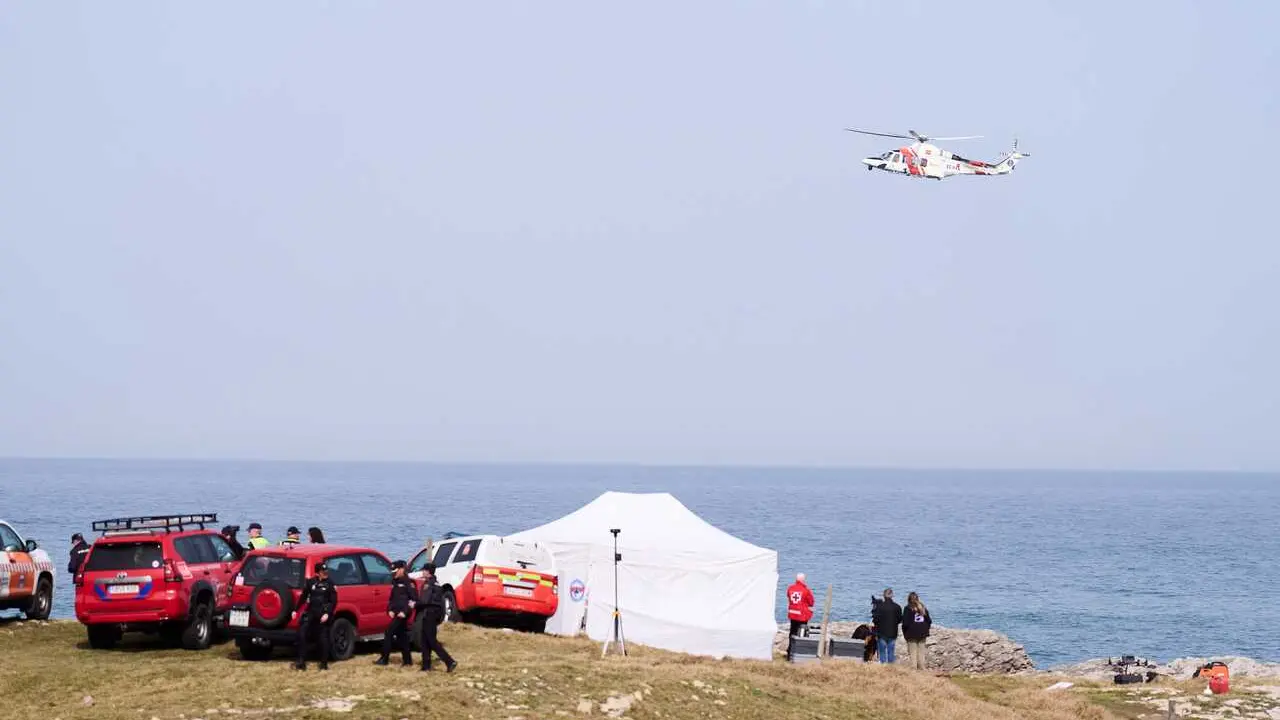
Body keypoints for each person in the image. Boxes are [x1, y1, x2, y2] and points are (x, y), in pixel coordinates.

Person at [294, 562, 337, 670]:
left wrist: (327, 614)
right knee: (302, 634)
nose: (326, 573)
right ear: (317, 573)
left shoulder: (330, 583)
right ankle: (301, 662)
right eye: (323, 572)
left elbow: (333, 601)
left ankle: (324, 663)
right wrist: (295, 610)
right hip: (311, 612)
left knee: (323, 638)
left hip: (323, 613)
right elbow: (303, 597)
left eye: (326, 571)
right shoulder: (310, 582)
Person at [416, 562, 457, 672]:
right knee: (425, 640)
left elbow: (424, 600)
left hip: (429, 614)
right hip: (433, 614)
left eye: (424, 570)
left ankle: (449, 661)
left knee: (431, 641)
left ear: (428, 572)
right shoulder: (437, 583)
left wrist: (414, 604)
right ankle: (426, 666)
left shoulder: (429, 584)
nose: (422, 572)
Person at [375, 560, 417, 667]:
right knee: (402, 636)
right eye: (392, 572)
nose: (393, 574)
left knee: (389, 632)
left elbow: (413, 600)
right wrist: (390, 609)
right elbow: (392, 599)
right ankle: (407, 661)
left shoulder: (409, 583)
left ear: (402, 570)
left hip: (403, 614)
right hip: (396, 612)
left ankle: (384, 659)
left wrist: (405, 612)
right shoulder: (395, 582)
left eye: (395, 571)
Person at [785, 572, 815, 660]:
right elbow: (811, 602)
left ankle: (789, 652)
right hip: (802, 615)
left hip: (792, 614)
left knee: (792, 632)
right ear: (803, 580)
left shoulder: (790, 588)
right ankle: (798, 653)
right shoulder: (806, 590)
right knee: (801, 634)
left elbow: (788, 596)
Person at [901, 592, 932, 670]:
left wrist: (905, 632)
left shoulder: (907, 608)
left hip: (912, 633)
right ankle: (922, 667)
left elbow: (905, 623)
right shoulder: (923, 608)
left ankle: (913, 668)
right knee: (921, 651)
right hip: (923, 632)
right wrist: (926, 629)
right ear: (918, 599)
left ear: (908, 599)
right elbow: (929, 621)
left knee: (913, 652)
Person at [871, 588, 903, 664]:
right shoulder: (897, 607)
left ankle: (883, 666)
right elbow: (900, 620)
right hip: (892, 632)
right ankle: (890, 666)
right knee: (891, 651)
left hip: (881, 632)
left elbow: (875, 620)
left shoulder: (880, 607)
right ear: (892, 595)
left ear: (884, 596)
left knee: (882, 652)